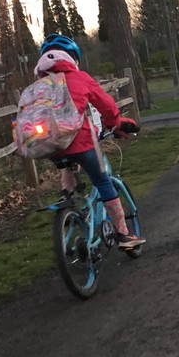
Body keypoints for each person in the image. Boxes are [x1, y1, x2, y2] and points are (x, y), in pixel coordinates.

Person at [34, 33, 145, 249]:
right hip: (82, 143)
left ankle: (69, 201)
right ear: (72, 58)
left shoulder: (39, 85)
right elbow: (108, 106)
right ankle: (123, 234)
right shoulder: (80, 77)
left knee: (66, 159)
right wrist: (113, 123)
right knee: (102, 180)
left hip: (49, 146)